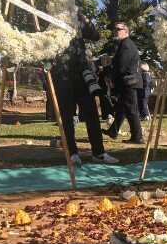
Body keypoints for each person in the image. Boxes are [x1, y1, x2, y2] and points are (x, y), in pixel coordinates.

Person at [50, 11, 119, 166]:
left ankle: (99, 152)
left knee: (91, 113)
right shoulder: (52, 19)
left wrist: (85, 18)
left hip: (81, 73)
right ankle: (72, 153)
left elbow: (95, 36)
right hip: (61, 73)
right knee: (67, 115)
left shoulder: (79, 22)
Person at [102, 22, 144, 144]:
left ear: (126, 31)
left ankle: (137, 137)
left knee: (131, 110)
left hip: (129, 83)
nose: (115, 31)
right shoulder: (125, 44)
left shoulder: (126, 45)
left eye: (118, 29)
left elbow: (120, 66)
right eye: (114, 29)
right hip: (127, 82)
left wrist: (111, 78)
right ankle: (113, 131)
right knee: (121, 109)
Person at [97, 55, 116, 121]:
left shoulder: (109, 67)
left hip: (106, 85)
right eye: (102, 59)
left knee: (107, 99)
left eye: (104, 59)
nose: (102, 60)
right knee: (102, 99)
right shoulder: (100, 68)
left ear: (107, 60)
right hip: (100, 85)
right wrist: (99, 72)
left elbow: (110, 76)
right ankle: (104, 115)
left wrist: (108, 80)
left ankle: (111, 114)